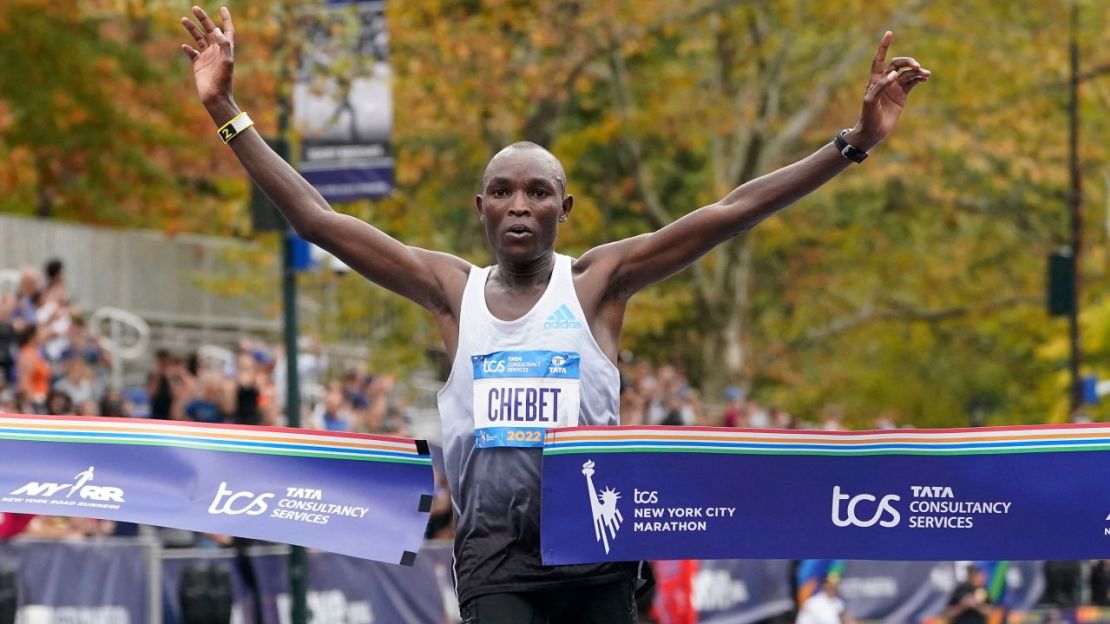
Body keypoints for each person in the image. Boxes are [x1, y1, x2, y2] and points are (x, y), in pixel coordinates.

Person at [178, 7, 929, 622]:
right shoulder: (451, 291)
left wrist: (852, 143)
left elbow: (730, 211)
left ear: (564, 209)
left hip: (597, 553)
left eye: (538, 191)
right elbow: (317, 219)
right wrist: (225, 109)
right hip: (496, 563)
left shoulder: (601, 283)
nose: (519, 205)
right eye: (502, 191)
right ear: (479, 208)